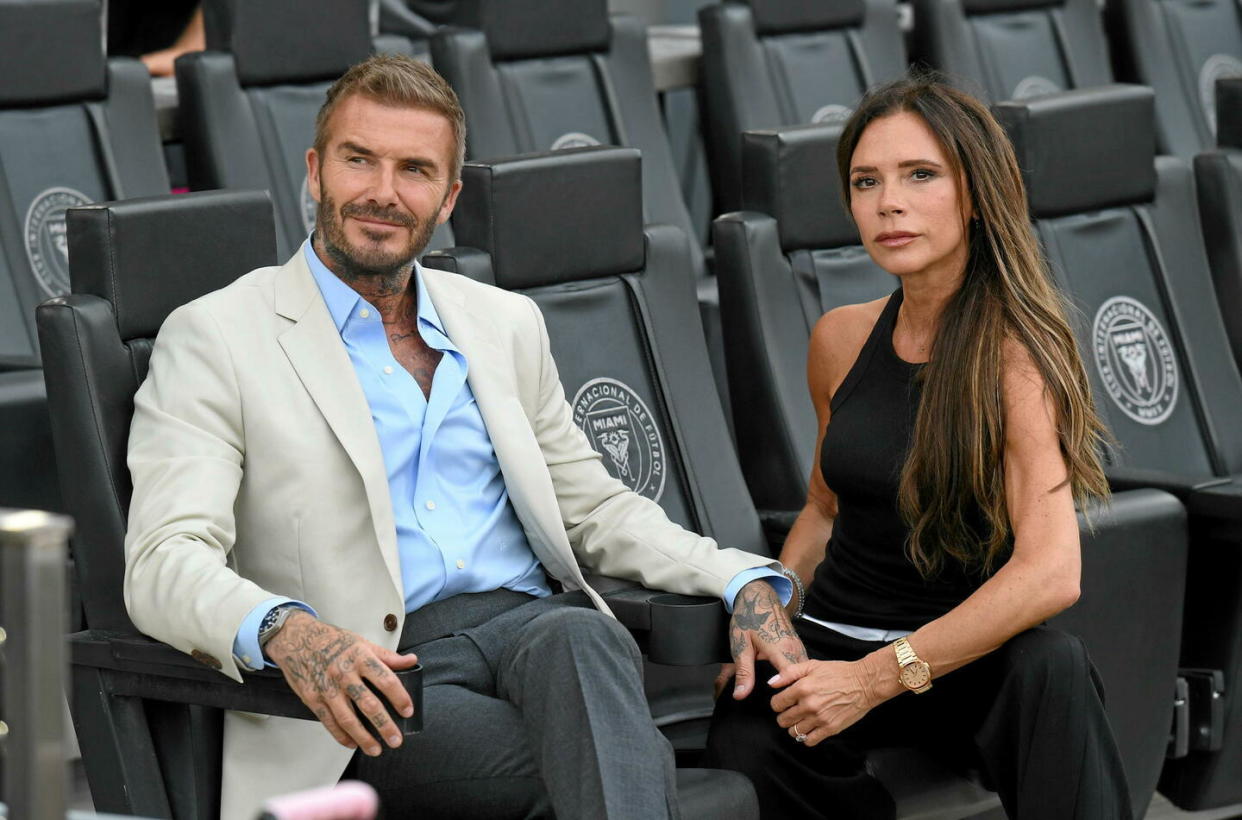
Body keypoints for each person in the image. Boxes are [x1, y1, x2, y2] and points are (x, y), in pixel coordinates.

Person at [123, 55, 806, 820]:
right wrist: (288, 631)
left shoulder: (501, 321)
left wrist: (739, 578)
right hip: (380, 674)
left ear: (447, 199)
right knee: (597, 773)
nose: (383, 192)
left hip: (534, 632)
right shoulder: (218, 335)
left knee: (583, 642)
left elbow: (595, 510)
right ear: (315, 172)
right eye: (359, 160)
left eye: (414, 170)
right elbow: (163, 561)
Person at [703, 77, 1133, 819]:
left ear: (974, 195)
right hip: (836, 632)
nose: (887, 203)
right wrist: (768, 611)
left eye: (919, 175)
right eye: (866, 182)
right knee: (746, 723)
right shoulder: (840, 337)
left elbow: (1053, 573)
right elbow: (824, 509)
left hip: (962, 657)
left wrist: (873, 678)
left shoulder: (1018, 356)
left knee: (1051, 665)